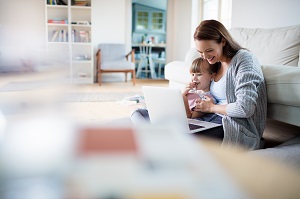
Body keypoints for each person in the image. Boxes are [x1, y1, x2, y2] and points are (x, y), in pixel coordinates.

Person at [192, 19, 267, 150]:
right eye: (200, 52)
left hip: (235, 127)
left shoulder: (244, 60)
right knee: (174, 131)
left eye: (209, 50)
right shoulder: (216, 62)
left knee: (187, 141)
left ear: (223, 41)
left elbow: (245, 108)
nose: (204, 57)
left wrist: (211, 108)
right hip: (211, 119)